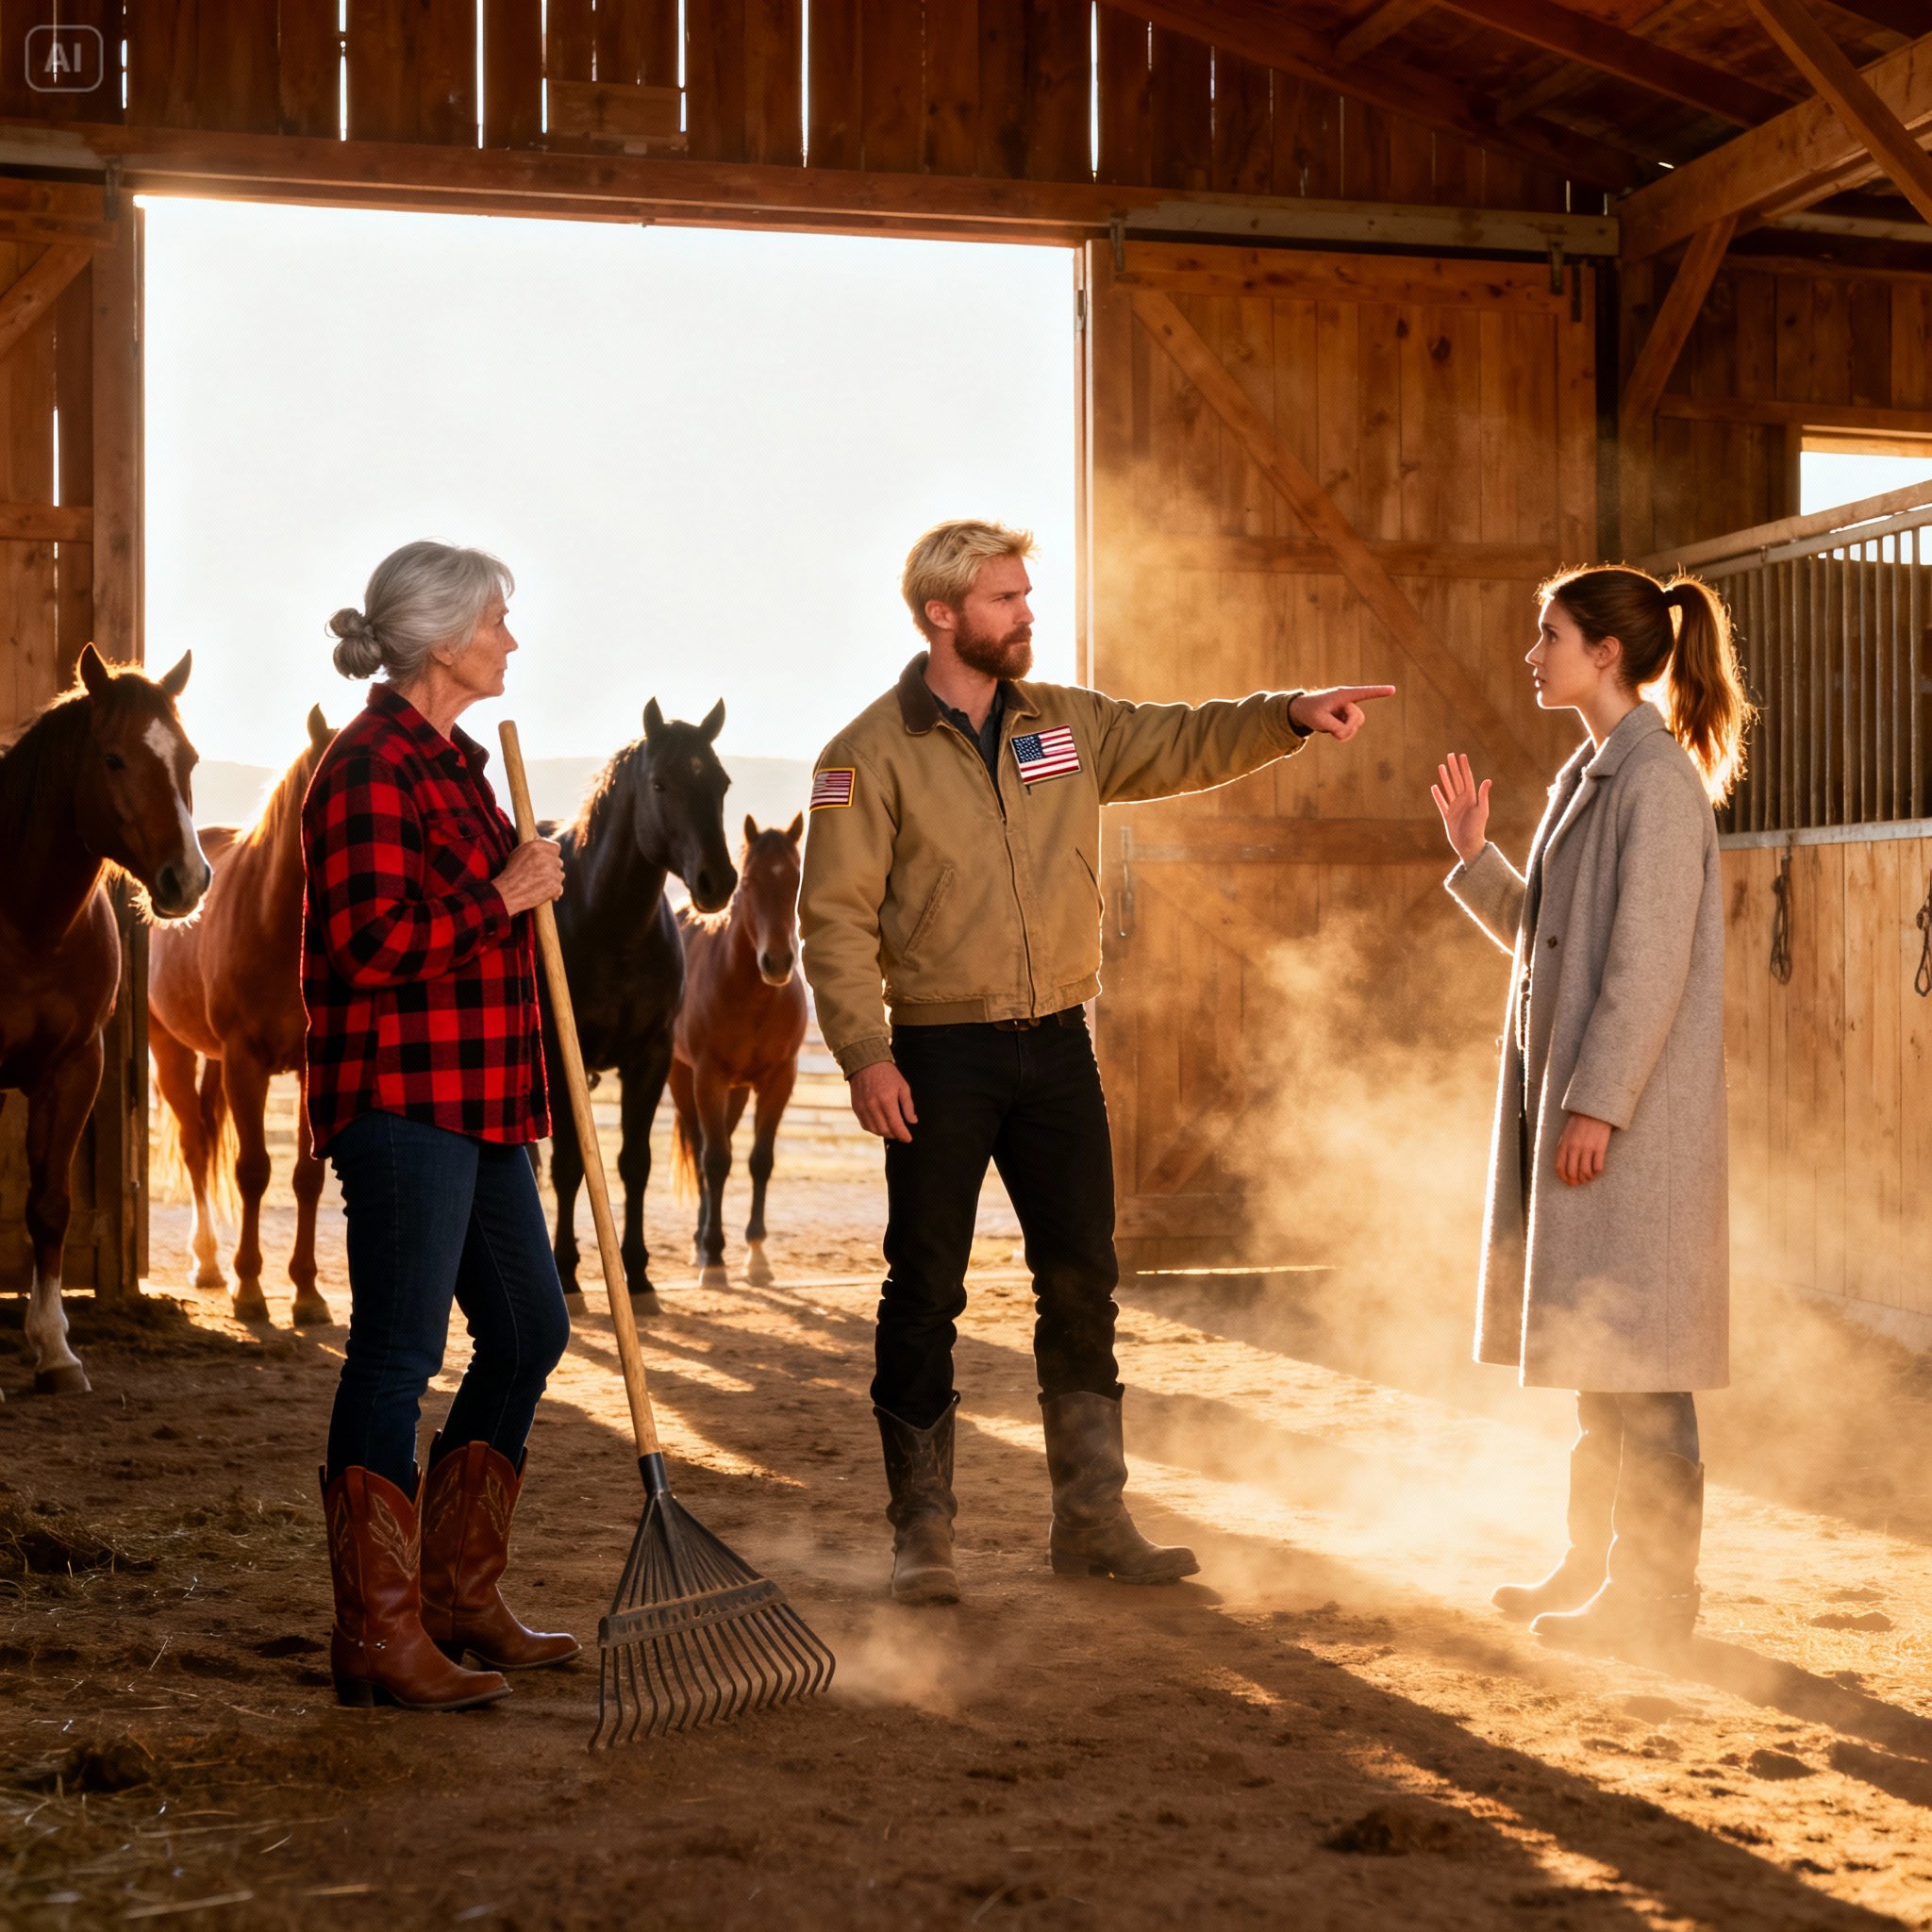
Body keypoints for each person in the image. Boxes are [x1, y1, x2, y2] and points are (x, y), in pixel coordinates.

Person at [799, 518, 1393, 1605]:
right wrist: (864, 1054)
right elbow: (832, 921)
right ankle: (921, 1532)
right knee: (923, 1289)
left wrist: (1288, 717)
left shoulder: (1065, 725)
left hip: (1058, 1046)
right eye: (1004, 600)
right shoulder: (864, 754)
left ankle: (1091, 1517)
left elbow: (1180, 737)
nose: (1028, 614)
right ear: (942, 614)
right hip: (938, 1051)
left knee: (1082, 1280)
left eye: (1027, 595)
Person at [1432, 563, 1751, 1652]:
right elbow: (1555, 943)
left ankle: (1655, 1600)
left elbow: (1645, 966)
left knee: (1642, 1364)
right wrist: (1476, 861)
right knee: (1599, 1360)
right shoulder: (1595, 769)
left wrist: (1597, 1104)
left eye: (1549, 633)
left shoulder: (1652, 782)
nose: (1534, 652)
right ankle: (1593, 1564)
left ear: (1603, 652)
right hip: (1593, 1115)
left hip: (1630, 1129)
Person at [303, 541, 577, 1709]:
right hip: (403, 1103)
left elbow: (468, 931)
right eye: (499, 620)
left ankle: (460, 1598)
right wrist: (503, 894)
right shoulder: (367, 768)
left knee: (528, 1331)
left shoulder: (460, 767)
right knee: (399, 1352)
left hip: (480, 1105)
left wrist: (524, 875)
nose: (512, 638)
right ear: (444, 636)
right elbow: (368, 947)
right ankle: (377, 1635)